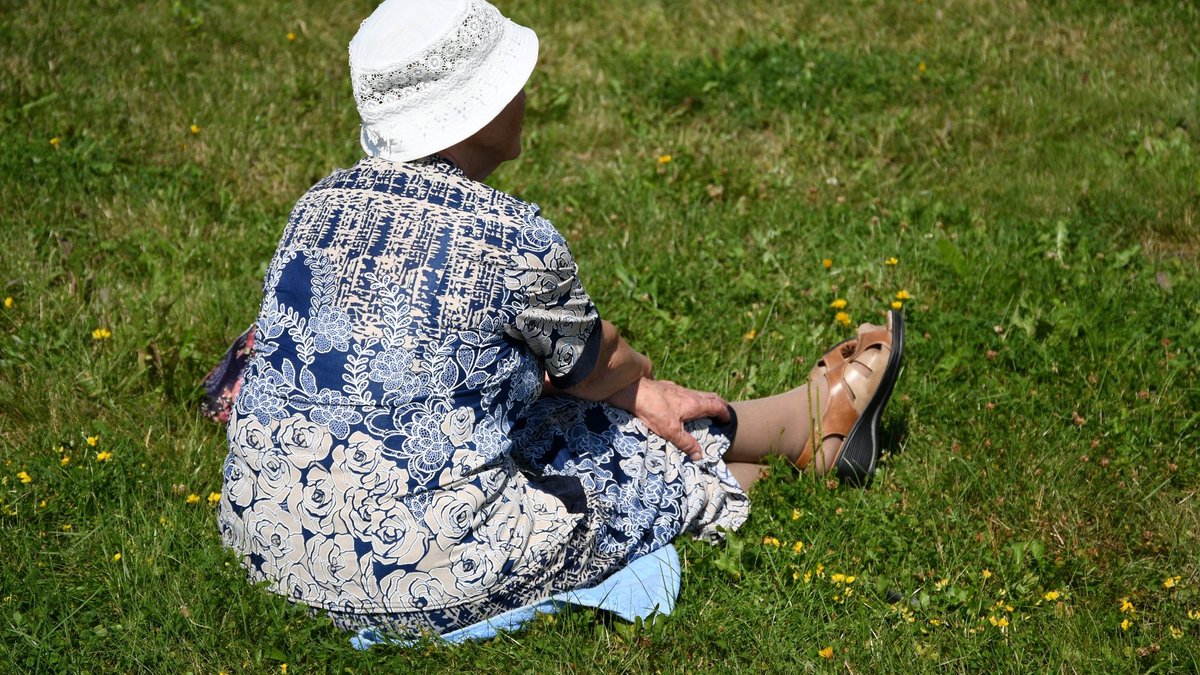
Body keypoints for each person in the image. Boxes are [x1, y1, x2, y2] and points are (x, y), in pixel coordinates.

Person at [215, 0, 903, 638]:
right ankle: (805, 433)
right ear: (477, 115)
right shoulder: (508, 236)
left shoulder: (317, 206)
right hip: (411, 575)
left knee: (556, 418)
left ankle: (796, 434)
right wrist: (640, 379)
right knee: (625, 440)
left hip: (267, 547)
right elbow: (596, 366)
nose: (524, 94)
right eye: (509, 82)